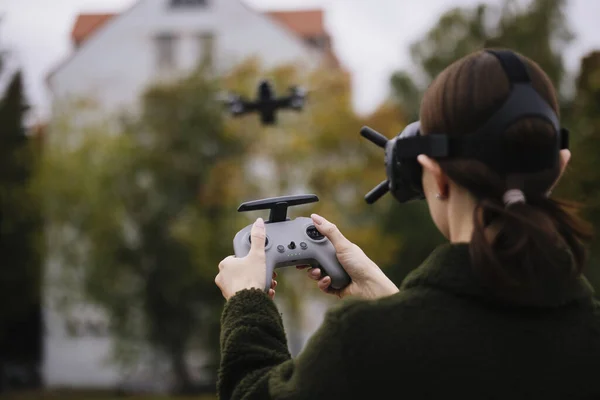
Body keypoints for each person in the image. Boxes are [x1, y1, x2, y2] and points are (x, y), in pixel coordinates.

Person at [214, 49, 600, 399]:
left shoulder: (358, 345)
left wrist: (246, 304)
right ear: (559, 166)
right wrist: (393, 302)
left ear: (436, 176)